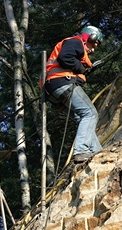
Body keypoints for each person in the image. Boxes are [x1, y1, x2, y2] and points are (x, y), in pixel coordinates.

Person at [43, 25, 104, 163]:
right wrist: (81, 69)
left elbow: (68, 61)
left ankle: (97, 152)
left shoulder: (74, 46)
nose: (93, 49)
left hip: (54, 89)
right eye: (94, 44)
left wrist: (82, 70)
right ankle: (82, 150)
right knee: (90, 113)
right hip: (63, 82)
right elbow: (65, 57)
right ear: (90, 37)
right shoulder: (75, 41)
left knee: (81, 117)